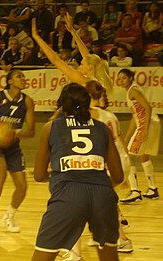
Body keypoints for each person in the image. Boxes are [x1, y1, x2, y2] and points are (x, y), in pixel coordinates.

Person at [31, 82, 124, 261]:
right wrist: (95, 179)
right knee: (109, 257)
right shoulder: (102, 127)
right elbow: (118, 176)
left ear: (62, 105)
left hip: (68, 194)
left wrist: (63, 174)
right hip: (103, 195)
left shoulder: (51, 127)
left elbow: (38, 175)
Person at [0, 69, 35, 239]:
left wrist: (13, 133)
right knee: (1, 172)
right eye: (19, 76)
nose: (23, 79)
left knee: (22, 186)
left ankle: (9, 216)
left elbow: (31, 131)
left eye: (24, 77)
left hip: (13, 145)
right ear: (9, 81)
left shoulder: (28, 102)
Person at [31, 12, 113, 94]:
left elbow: (55, 60)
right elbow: (86, 54)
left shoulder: (84, 80)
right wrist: (72, 31)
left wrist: (37, 38)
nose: (79, 67)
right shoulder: (99, 78)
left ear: (90, 67)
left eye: (82, 64)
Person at [117, 68, 161, 203]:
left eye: (124, 77)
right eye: (119, 78)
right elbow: (134, 117)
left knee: (129, 156)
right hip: (152, 123)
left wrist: (145, 129)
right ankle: (153, 189)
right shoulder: (131, 91)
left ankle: (135, 191)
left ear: (130, 78)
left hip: (147, 124)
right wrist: (127, 136)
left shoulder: (133, 91)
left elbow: (148, 108)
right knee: (144, 155)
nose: (121, 80)